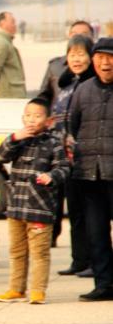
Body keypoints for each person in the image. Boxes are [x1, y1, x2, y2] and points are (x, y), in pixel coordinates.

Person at [0, 98, 68, 304]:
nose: (32, 119)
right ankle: (16, 289)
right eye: (28, 115)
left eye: (37, 115)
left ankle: (37, 291)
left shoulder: (54, 143)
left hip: (39, 207)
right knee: (17, 251)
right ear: (22, 118)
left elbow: (64, 167)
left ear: (49, 121)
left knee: (39, 253)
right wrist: (14, 138)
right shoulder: (18, 140)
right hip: (16, 206)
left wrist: (52, 176)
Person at [45, 35, 95, 276]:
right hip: (66, 158)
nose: (76, 59)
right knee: (74, 211)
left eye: (81, 54)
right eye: (72, 54)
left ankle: (96, 261)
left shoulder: (94, 83)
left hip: (88, 157)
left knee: (92, 213)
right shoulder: (65, 84)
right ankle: (79, 259)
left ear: (91, 57)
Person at [68, 37, 113, 301]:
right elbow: (72, 127)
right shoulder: (83, 91)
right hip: (89, 175)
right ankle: (104, 284)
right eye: (100, 58)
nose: (105, 63)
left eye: (110, 58)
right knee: (96, 234)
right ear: (93, 61)